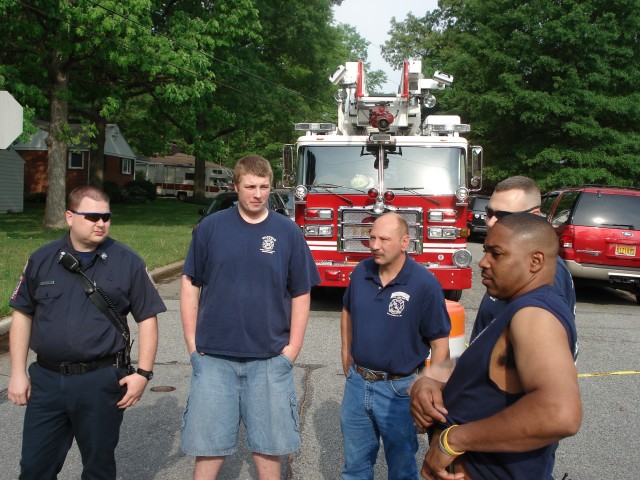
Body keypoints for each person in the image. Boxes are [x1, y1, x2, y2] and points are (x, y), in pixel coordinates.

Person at [7, 185, 166, 480]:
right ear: (69, 217)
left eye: (106, 217)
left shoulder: (127, 262)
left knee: (98, 468)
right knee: (34, 467)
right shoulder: (42, 259)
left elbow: (147, 319)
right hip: (48, 381)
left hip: (100, 382)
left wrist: (143, 374)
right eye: (92, 216)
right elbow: (22, 314)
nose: (100, 223)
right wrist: (17, 372)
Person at [180, 154, 320, 480]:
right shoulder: (211, 229)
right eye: (250, 187)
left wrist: (292, 350)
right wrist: (191, 344)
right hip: (214, 357)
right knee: (208, 449)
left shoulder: (287, 232)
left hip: (270, 359)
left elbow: (301, 292)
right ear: (235, 186)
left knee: (269, 449)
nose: (257, 194)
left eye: (264, 187)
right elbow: (190, 283)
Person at [411, 213, 581, 479]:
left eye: (496, 254)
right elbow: (494, 374)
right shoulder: (516, 306)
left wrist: (453, 440)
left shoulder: (535, 314)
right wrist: (431, 383)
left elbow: (559, 414)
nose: (483, 262)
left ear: (535, 261)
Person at [340, 212, 451, 480]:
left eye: (384, 239)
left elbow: (440, 344)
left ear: (404, 242)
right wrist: (346, 353)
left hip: (400, 391)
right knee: (354, 468)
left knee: (401, 469)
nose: (375, 245)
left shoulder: (424, 284)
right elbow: (347, 311)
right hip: (358, 385)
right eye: (372, 238)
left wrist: (431, 390)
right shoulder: (361, 272)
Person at [470, 175, 576, 344]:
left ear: (534, 215)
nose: (491, 222)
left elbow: (543, 359)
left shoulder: (547, 275)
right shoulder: (515, 259)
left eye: (504, 215)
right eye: (489, 213)